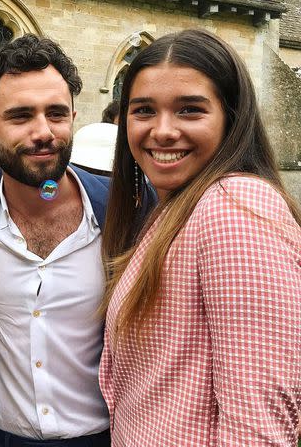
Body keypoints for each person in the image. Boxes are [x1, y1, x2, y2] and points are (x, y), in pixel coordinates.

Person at [99, 29, 301, 445]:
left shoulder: (235, 207)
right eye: (143, 111)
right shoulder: (181, 204)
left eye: (190, 110)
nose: (163, 131)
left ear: (231, 116)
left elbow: (257, 425)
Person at [0, 34, 152, 447]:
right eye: (21, 116)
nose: (43, 132)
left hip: (112, 437)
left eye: (56, 114)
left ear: (73, 116)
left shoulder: (131, 208)